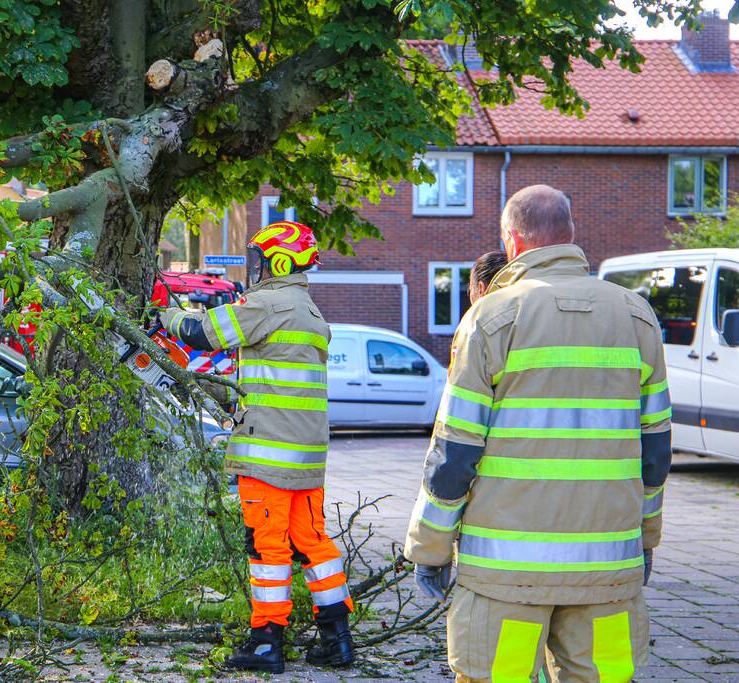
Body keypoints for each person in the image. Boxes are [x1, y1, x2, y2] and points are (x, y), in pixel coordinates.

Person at [404, 185, 671, 682]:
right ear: (569, 236)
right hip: (607, 566)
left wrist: (430, 549)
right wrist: (645, 539)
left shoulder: (491, 318)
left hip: (505, 575)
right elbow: (655, 452)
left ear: (513, 241)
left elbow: (454, 454)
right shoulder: (637, 318)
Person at [160, 221, 354, 674]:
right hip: (307, 456)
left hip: (269, 455)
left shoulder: (269, 302)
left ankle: (267, 641)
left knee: (267, 548)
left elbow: (201, 332)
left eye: (261, 259)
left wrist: (165, 315)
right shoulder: (309, 310)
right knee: (313, 542)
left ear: (279, 261)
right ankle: (336, 638)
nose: (257, 267)